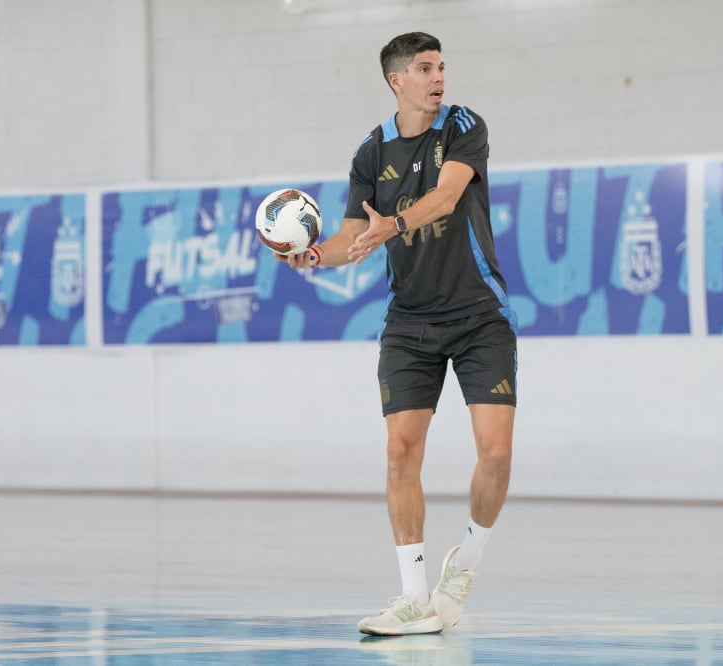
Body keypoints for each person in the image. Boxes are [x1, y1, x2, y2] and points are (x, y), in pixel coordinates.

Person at [276, 32, 518, 635]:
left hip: (479, 313)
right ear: (397, 81)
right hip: (410, 322)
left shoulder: (464, 126)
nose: (439, 77)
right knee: (399, 454)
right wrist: (312, 258)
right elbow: (353, 236)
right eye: (426, 68)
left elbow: (446, 196)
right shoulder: (370, 153)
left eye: (442, 66)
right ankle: (414, 597)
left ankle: (463, 568)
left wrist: (396, 225)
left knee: (496, 451)